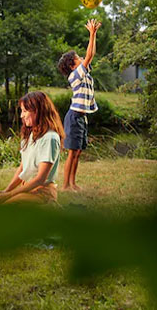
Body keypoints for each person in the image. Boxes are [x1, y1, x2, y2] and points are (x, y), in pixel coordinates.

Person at [0, 91, 63, 205]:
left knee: (5, 207)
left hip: (42, 193)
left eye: (25, 111)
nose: (21, 115)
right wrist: (5, 192)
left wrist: (8, 196)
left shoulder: (50, 138)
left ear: (38, 111)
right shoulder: (30, 134)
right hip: (27, 189)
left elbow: (40, 179)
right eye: (21, 111)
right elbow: (22, 168)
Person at [57, 19, 100, 191]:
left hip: (81, 117)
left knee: (78, 152)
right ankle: (66, 186)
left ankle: (73, 183)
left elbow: (90, 55)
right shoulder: (74, 75)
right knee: (72, 153)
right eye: (78, 58)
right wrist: (91, 33)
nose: (82, 59)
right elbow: (90, 56)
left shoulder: (82, 72)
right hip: (74, 117)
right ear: (72, 65)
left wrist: (94, 35)